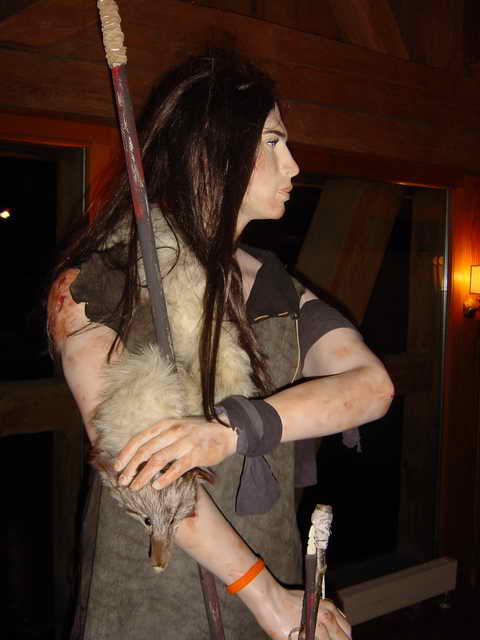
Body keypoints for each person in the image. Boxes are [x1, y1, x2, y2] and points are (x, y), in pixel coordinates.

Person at [48, 50, 393, 640]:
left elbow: (371, 388)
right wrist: (267, 597)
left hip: (277, 576)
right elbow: (146, 470)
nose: (294, 164)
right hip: (156, 599)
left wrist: (232, 431)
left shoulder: (276, 287)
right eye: (273, 142)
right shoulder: (98, 285)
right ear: (212, 149)